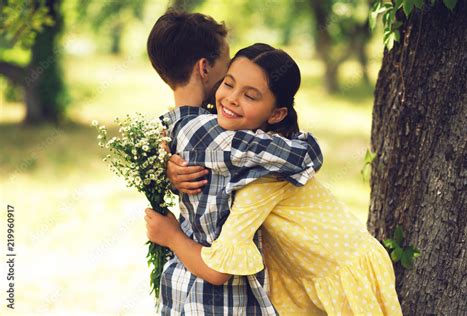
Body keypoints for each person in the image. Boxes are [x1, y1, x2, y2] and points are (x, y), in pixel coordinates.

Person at [145, 44, 403, 315]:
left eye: (251, 96)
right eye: (228, 84)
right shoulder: (243, 151)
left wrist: (171, 236)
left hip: (345, 276)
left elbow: (218, 270)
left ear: (277, 114)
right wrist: (170, 168)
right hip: (304, 276)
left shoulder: (263, 179)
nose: (232, 99)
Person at [146, 10, 323, 315]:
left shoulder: (170, 129)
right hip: (217, 296)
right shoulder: (215, 135)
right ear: (205, 68)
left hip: (179, 286)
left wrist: (163, 160)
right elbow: (305, 156)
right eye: (228, 71)